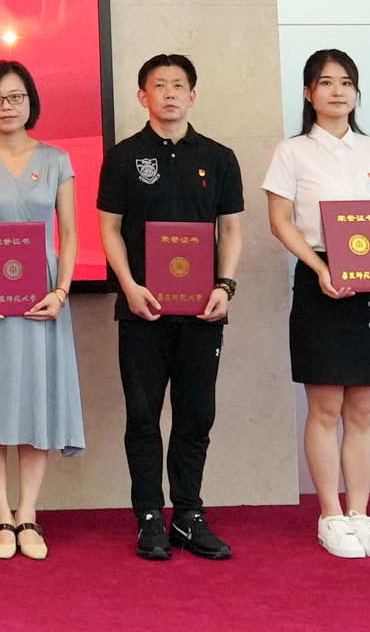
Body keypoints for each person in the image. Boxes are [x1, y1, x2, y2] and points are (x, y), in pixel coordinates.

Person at [263, 48, 370, 560]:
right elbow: (280, 220)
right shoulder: (292, 152)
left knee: (363, 409)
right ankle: (330, 515)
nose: (337, 91)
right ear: (309, 93)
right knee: (325, 408)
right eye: (326, 82)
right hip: (320, 278)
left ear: (356, 92)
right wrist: (319, 268)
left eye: (346, 82)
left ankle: (361, 515)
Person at [95, 54, 242, 561]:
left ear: (193, 96)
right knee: (142, 417)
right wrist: (129, 286)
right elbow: (109, 228)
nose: (171, 93)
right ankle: (149, 516)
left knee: (195, 415)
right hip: (142, 310)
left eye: (179, 85)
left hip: (203, 311)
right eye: (160, 86)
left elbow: (232, 230)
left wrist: (225, 286)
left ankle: (189, 514)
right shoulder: (123, 157)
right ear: (143, 96)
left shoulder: (219, 158)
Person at [0, 59, 84, 561]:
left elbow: (69, 233)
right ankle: (0, 514)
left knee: (35, 400)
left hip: (42, 300)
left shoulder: (57, 159)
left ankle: (28, 513)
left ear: (31, 102)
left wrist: (62, 290)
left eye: (16, 96)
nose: (7, 106)